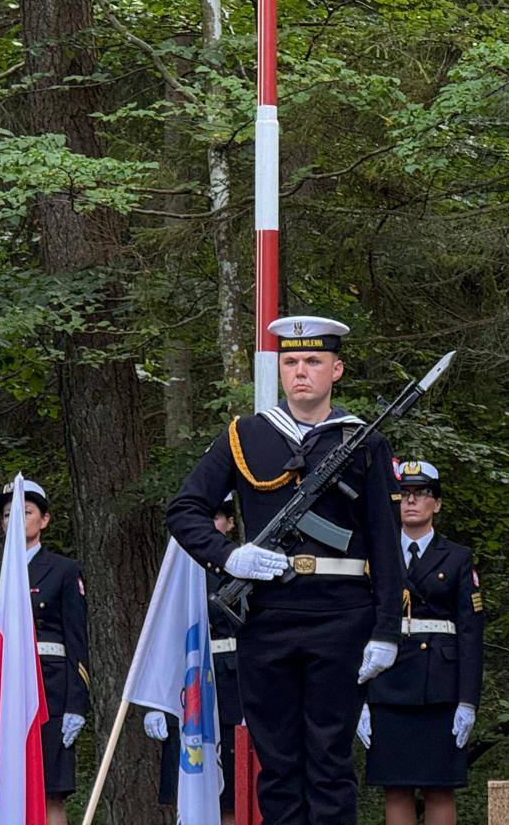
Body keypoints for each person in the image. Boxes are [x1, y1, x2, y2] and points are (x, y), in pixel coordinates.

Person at [166, 315, 403, 825]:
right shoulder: (245, 435)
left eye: (314, 361)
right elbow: (184, 509)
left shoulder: (364, 441)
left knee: (330, 762)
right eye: (291, 362)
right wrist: (229, 555)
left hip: (342, 616)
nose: (301, 372)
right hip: (267, 616)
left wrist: (386, 630)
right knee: (276, 761)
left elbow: (386, 543)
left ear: (336, 369)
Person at [359, 461, 484, 825]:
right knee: (395, 787)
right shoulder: (375, 556)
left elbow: (471, 632)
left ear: (437, 504)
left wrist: (468, 700)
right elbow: (360, 625)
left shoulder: (458, 557)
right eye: (404, 495)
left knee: (438, 787)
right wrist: (360, 698)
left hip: (439, 688)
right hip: (387, 683)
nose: (411, 502)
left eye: (422, 494)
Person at [0, 479, 90, 825]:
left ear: (44, 520)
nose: (14, 520)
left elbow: (76, 641)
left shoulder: (64, 570)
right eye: (8, 514)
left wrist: (75, 706)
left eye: (25, 512)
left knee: (50, 792)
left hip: (48, 693)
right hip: (3, 695)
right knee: (6, 791)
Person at [145, 496, 242, 825]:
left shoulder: (242, 567)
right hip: (187, 691)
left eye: (215, 518)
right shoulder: (174, 576)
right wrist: (156, 702)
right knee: (188, 792)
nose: (208, 527)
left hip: (232, 688)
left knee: (231, 795)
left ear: (229, 524)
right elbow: (160, 636)